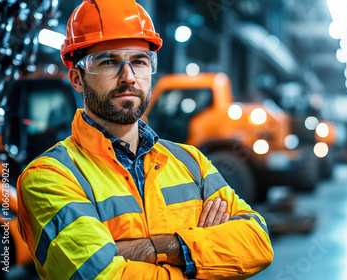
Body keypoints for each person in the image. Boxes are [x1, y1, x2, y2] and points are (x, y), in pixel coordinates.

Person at [16, 0, 273, 279]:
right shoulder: (49, 177)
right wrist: (203, 256)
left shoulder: (191, 162)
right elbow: (100, 275)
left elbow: (258, 243)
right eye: (108, 61)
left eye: (139, 61)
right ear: (77, 78)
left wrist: (160, 247)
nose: (128, 77)